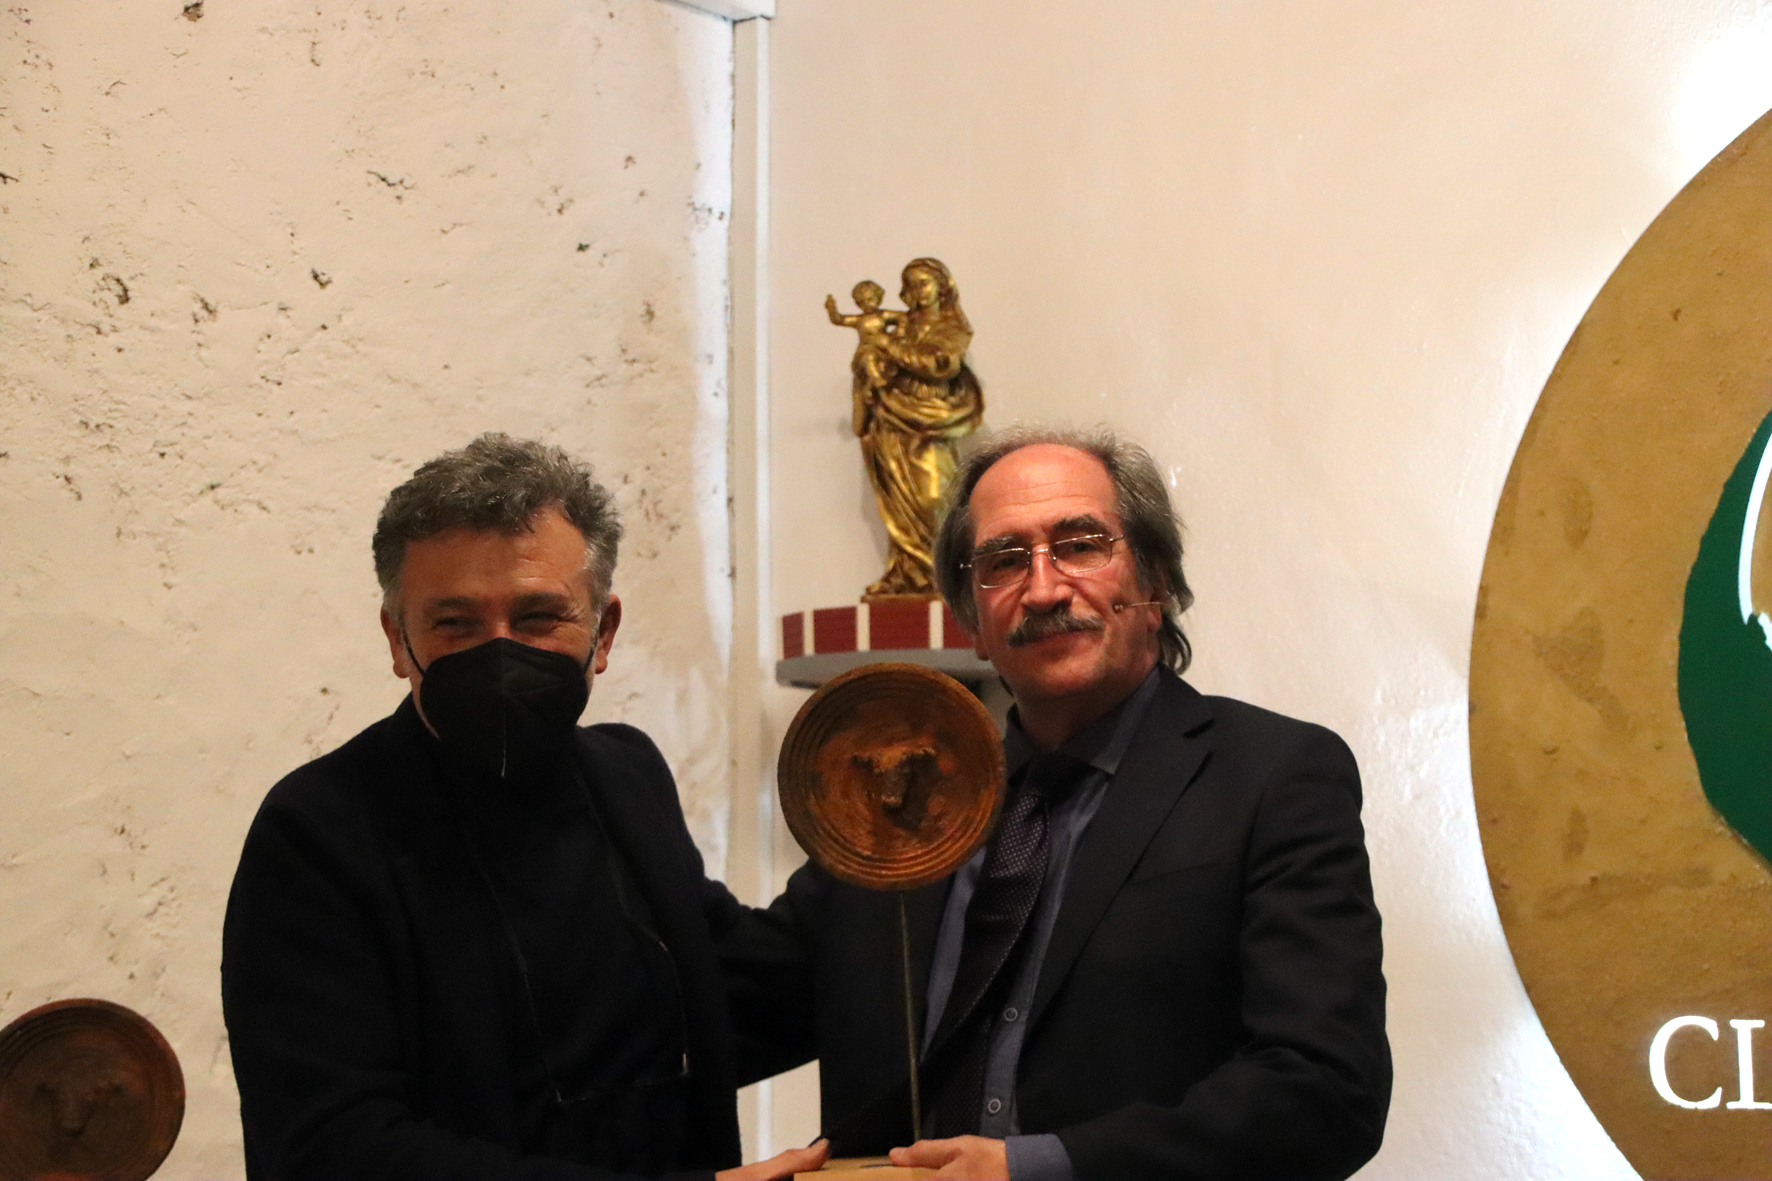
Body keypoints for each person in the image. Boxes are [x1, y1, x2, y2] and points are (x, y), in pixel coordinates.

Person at [722, 426, 1390, 1180]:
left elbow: (1327, 1090)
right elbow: (712, 1009)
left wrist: (1042, 1168)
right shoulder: (904, 802)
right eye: (1005, 561)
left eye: (1080, 546)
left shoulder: (1272, 777)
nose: (1042, 590)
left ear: (1155, 583)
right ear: (972, 622)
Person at [221, 434, 826, 1181]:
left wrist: (898, 846)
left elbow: (725, 998)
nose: (499, 651)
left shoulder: (627, 776)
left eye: (539, 616)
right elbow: (332, 1145)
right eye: (456, 623)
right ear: (397, 638)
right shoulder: (318, 832)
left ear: (603, 632)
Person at [852, 258, 985, 599]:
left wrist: (887, 347)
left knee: (935, 497)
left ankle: (943, 573)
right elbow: (878, 360)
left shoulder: (953, 326)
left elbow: (939, 365)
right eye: (911, 284)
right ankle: (910, 573)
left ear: (942, 287)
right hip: (893, 419)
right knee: (899, 500)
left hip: (933, 418)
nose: (918, 291)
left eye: (924, 283)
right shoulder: (899, 325)